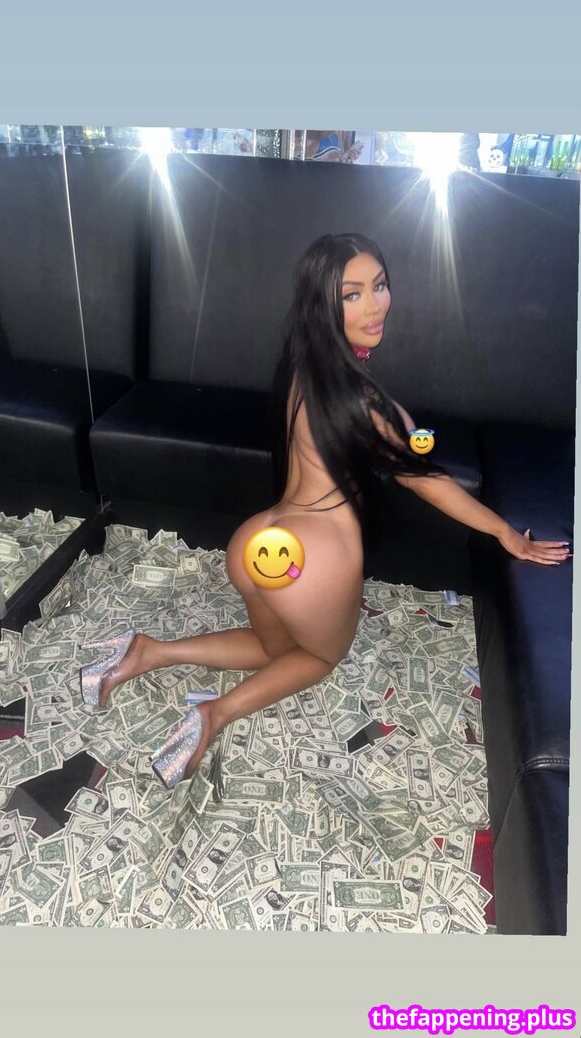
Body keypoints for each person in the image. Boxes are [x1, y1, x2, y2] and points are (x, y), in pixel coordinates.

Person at [79, 233, 571, 787]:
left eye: (379, 286)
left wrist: (406, 429)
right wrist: (507, 533)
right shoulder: (365, 401)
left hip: (259, 541)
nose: (375, 305)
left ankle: (150, 651)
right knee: (317, 659)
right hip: (310, 562)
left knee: (273, 646)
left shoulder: (303, 363)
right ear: (324, 305)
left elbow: (383, 437)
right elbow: (428, 481)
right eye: (352, 295)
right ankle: (214, 713)